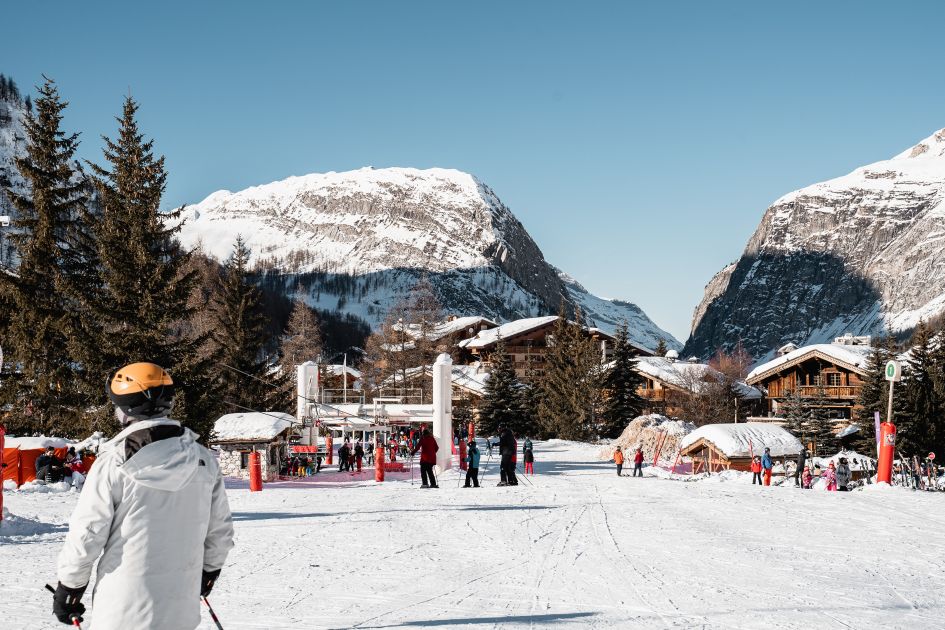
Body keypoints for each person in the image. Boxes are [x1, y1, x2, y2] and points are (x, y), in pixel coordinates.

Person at [54, 362, 234, 629]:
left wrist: (70, 586)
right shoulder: (203, 459)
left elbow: (88, 532)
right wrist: (208, 572)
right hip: (179, 607)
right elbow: (219, 531)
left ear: (126, 409)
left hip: (123, 608)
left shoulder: (113, 463)